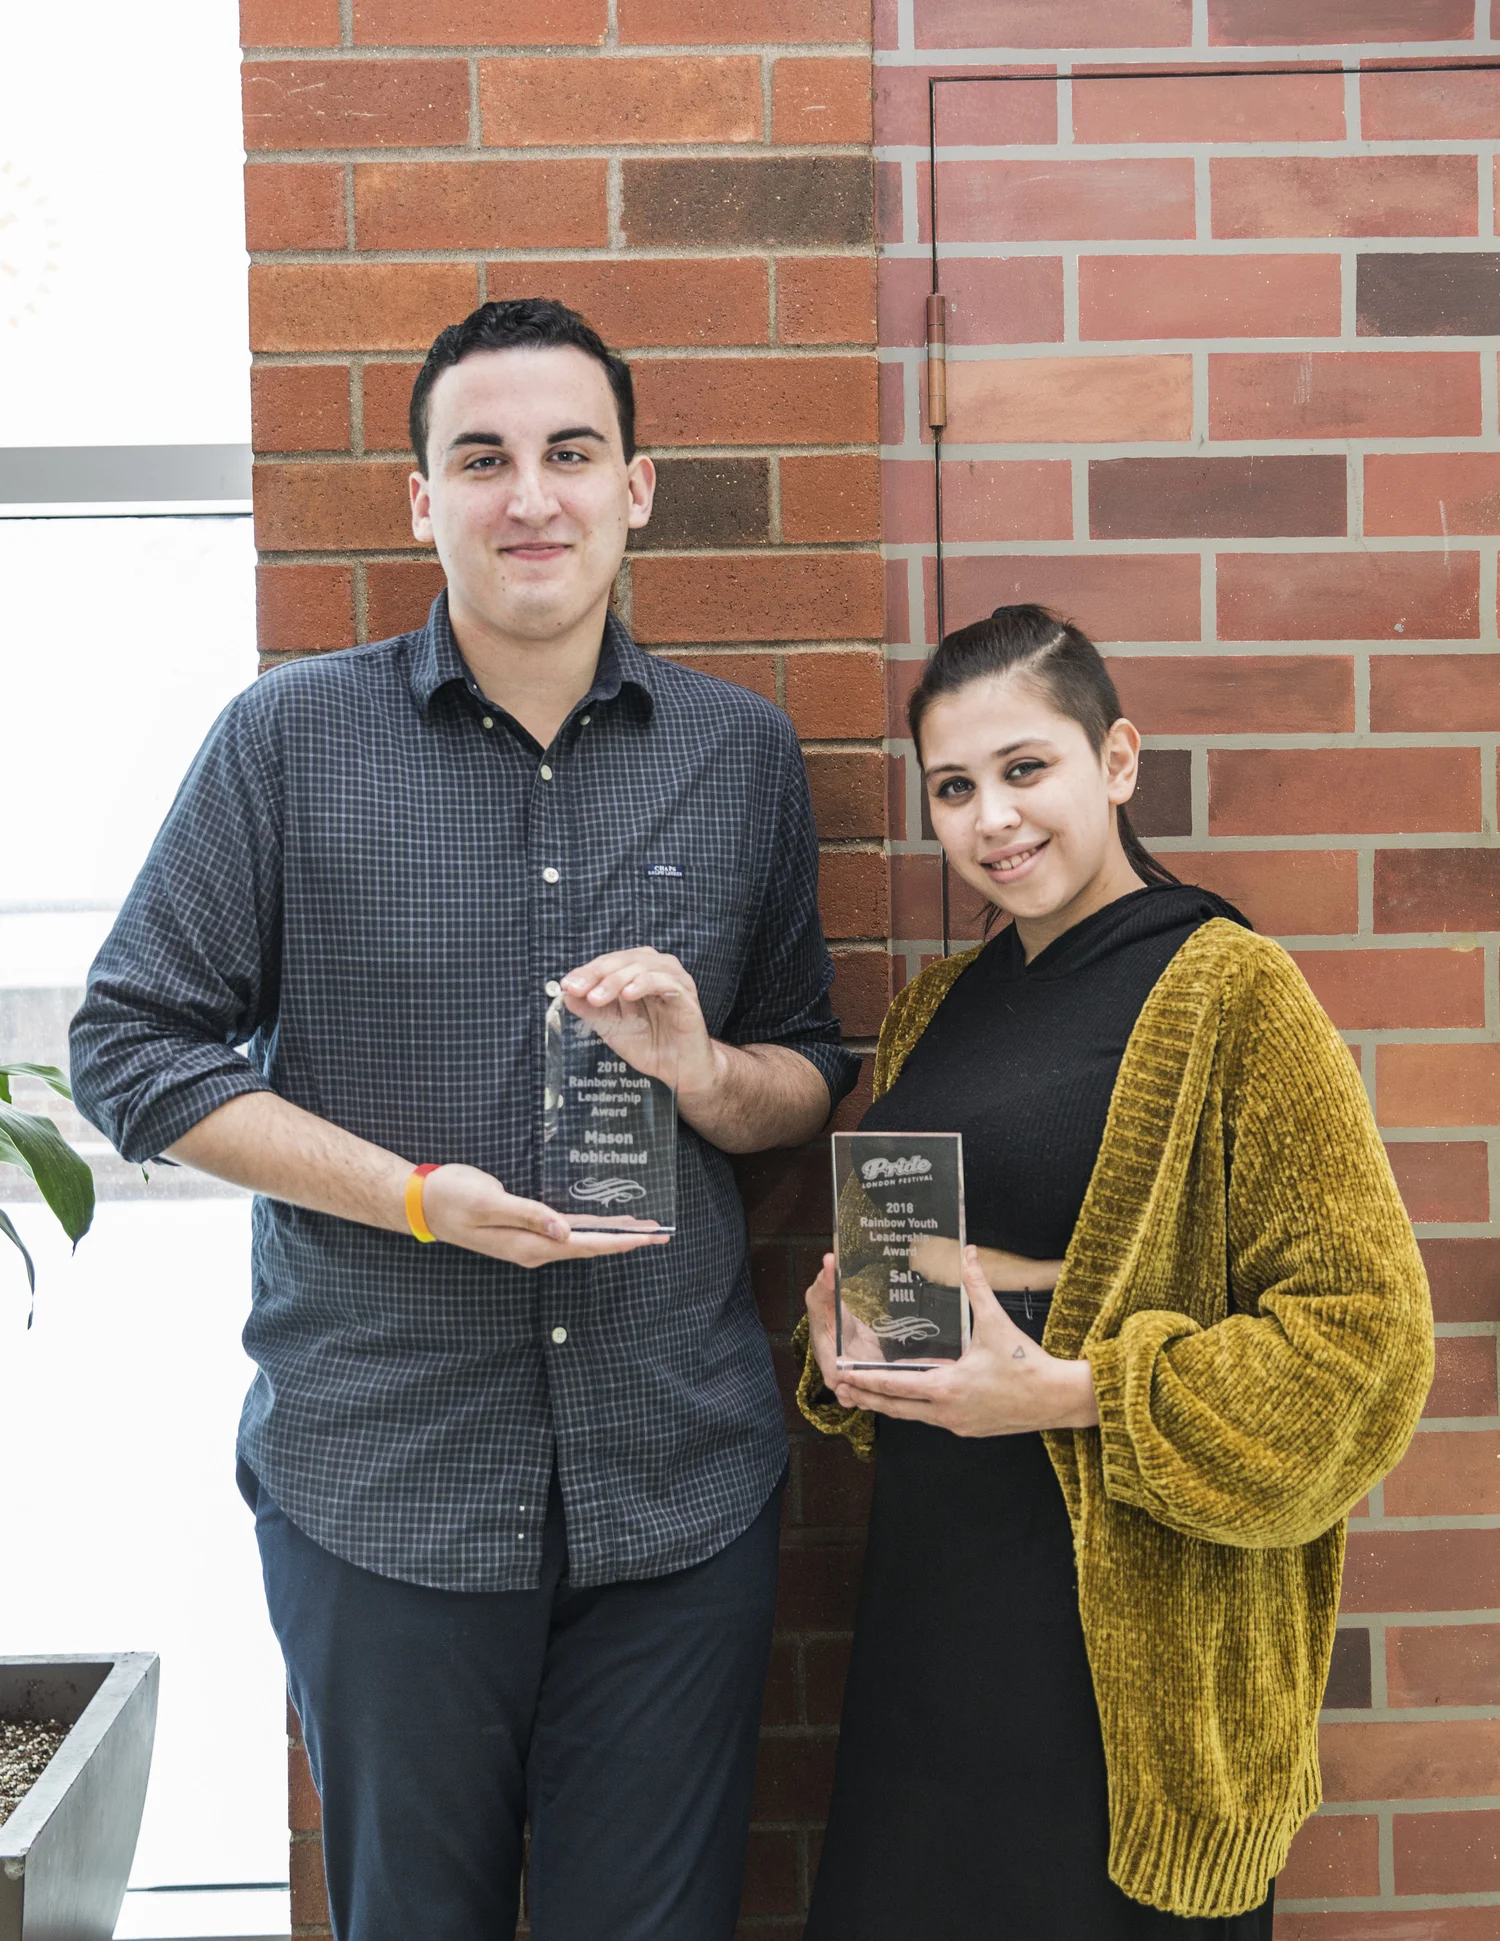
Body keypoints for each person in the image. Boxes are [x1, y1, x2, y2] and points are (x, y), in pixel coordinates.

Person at [70, 297, 859, 1941]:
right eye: (482, 458)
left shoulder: (740, 755)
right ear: (421, 499)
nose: (532, 498)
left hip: (675, 1491)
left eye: (571, 454)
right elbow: (132, 1047)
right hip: (389, 1487)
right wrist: (418, 1197)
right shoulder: (288, 741)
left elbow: (804, 1073)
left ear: (637, 488)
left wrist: (704, 1072)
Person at [797, 604, 1432, 1939]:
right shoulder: (933, 1015)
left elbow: (1368, 1343)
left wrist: (1080, 1392)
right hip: (935, 1629)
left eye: (1027, 770)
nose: (992, 819)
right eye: (955, 788)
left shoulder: (1231, 992)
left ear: (1118, 761)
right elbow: (919, 1297)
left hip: (1126, 1681)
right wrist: (845, 1344)